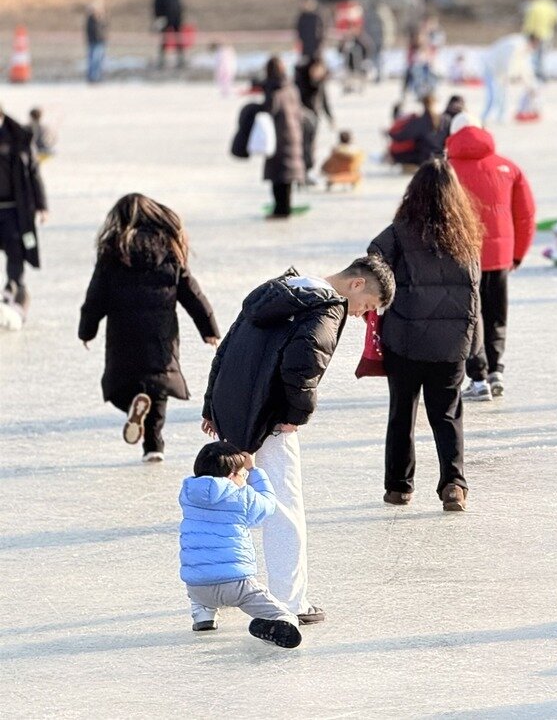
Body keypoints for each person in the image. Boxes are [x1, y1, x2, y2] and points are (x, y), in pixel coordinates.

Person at [202, 255, 394, 623]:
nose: (361, 316)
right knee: (284, 512)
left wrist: (212, 405)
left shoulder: (285, 287)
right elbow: (304, 364)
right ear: (356, 285)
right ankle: (290, 602)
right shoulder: (326, 308)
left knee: (226, 504)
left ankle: (209, 594)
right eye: (366, 306)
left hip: (234, 411)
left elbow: (229, 346)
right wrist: (296, 415)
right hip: (269, 420)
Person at [367, 161, 482, 510]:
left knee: (402, 411)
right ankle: (453, 485)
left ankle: (399, 487)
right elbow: (476, 294)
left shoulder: (400, 232)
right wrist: (476, 351)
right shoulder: (467, 237)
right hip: (452, 345)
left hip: (405, 338)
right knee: (447, 414)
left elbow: (372, 260)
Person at [79, 193, 220, 462]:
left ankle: (132, 405)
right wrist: (208, 328)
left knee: (121, 384)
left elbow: (95, 295)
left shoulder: (113, 250)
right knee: (159, 386)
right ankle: (154, 446)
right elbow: (192, 293)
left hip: (123, 333)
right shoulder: (169, 249)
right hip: (161, 335)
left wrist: (87, 330)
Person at [443, 114, 536, 402]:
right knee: (496, 315)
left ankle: (478, 376)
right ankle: (496, 370)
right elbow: (526, 215)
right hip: (499, 258)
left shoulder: (445, 170)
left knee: (469, 316)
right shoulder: (508, 167)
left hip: (461, 256)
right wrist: (517, 253)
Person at [180, 441, 302, 648]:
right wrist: (254, 471)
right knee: (282, 613)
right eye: (241, 474)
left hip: (197, 587)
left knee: (203, 572)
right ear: (231, 476)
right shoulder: (242, 496)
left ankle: (203, 615)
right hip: (236, 585)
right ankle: (283, 622)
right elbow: (268, 505)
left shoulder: (188, 495)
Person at [0, 101, 47, 306]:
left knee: (16, 249)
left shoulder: (20, 137)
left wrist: (41, 205)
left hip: (14, 209)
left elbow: (34, 173)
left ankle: (14, 286)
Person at [260, 58, 304, 218]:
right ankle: (284, 207)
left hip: (279, 137)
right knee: (287, 176)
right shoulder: (292, 87)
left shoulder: (275, 90)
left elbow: (270, 110)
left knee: (278, 177)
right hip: (294, 134)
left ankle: (281, 210)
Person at [482, 32, 539, 126]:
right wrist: (509, 76)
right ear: (532, 41)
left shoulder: (525, 50)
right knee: (493, 97)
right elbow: (507, 61)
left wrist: (530, 87)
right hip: (491, 68)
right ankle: (484, 118)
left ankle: (501, 118)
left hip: (501, 73)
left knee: (504, 95)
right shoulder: (515, 44)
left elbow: (526, 70)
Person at [294, 54, 334, 181]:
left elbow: (324, 99)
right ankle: (302, 171)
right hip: (302, 117)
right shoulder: (301, 80)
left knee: (311, 145)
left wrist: (330, 117)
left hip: (315, 116)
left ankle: (308, 171)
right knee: (302, 145)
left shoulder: (319, 81)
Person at [387, 93, 446, 167]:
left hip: (424, 157)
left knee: (400, 152)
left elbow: (403, 136)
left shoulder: (419, 120)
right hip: (441, 155)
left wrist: (390, 133)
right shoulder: (444, 119)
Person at [521, 0, 557, 81]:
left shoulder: (534, 6)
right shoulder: (552, 6)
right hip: (546, 33)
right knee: (543, 54)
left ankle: (533, 73)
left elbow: (529, 21)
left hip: (533, 33)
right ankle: (542, 73)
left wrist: (530, 33)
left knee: (532, 54)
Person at [153, 0, 186, 69]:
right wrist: (159, 18)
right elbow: (157, 7)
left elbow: (179, 7)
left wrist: (179, 19)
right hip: (164, 20)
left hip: (176, 21)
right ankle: (161, 60)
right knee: (164, 41)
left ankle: (180, 60)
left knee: (178, 41)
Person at [85, 0, 108, 84]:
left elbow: (104, 29)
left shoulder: (102, 19)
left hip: (101, 41)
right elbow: (91, 31)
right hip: (93, 41)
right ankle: (92, 76)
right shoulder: (91, 19)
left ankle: (99, 75)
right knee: (93, 59)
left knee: (100, 60)